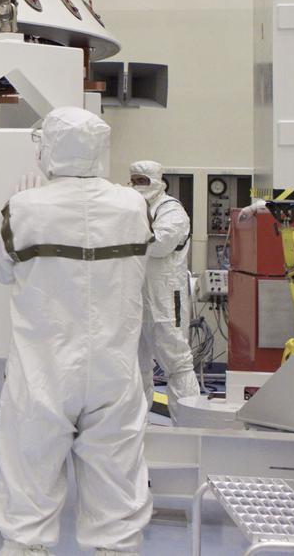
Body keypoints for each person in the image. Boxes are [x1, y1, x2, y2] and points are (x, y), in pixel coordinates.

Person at [0, 107, 153, 556]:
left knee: (29, 482)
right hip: (114, 367)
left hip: (43, 368)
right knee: (117, 487)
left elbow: (2, 272)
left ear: (50, 148)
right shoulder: (133, 204)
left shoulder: (23, 208)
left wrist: (22, 206)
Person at [129, 161, 201, 406]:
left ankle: (189, 423)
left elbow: (159, 245)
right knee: (135, 367)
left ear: (158, 181)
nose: (138, 186)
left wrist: (123, 233)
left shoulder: (171, 210)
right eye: (134, 180)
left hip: (164, 299)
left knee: (176, 362)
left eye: (143, 181)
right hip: (133, 297)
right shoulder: (132, 207)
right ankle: (138, 425)